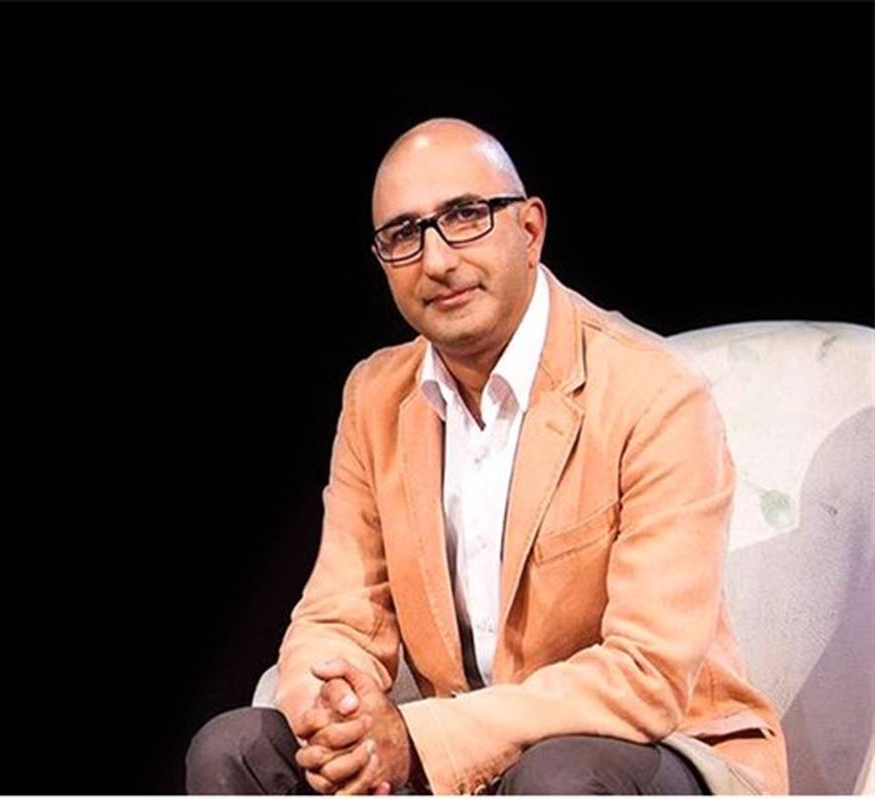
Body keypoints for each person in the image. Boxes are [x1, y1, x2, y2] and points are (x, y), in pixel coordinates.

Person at [185, 118, 789, 795]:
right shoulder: (374, 398)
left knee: (559, 776)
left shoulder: (655, 394)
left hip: (659, 749)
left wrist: (419, 738)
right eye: (404, 234)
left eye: (465, 216)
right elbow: (337, 617)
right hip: (466, 763)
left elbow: (646, 675)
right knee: (235, 749)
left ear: (529, 230)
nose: (437, 260)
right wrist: (337, 718)